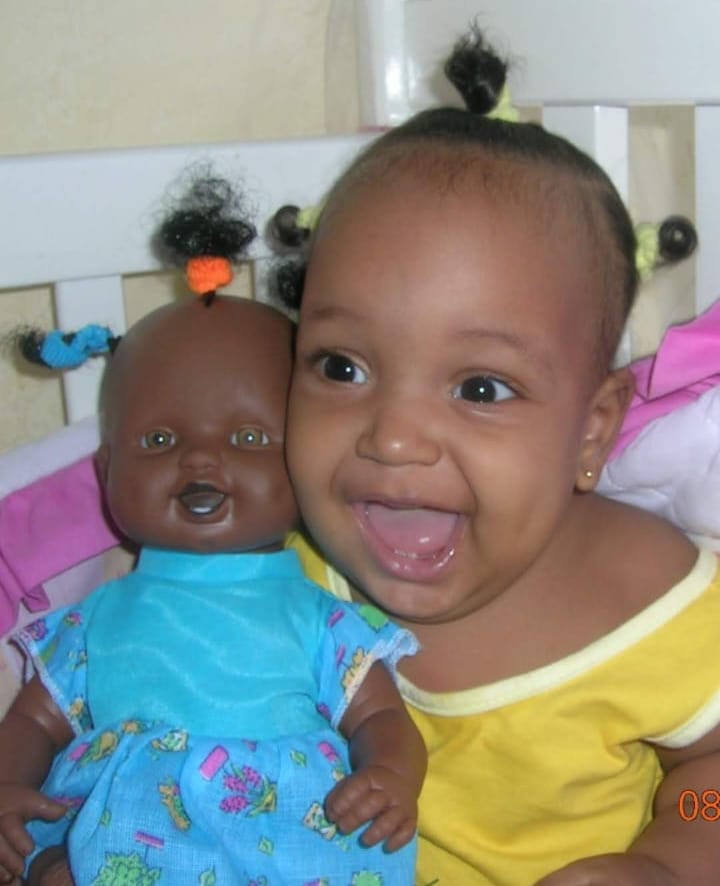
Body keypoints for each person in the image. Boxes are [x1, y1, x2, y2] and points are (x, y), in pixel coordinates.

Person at [280, 25, 720, 886]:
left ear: (592, 430)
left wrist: (671, 860)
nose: (393, 437)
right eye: (341, 367)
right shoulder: (290, 572)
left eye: (480, 387)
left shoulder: (653, 603)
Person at [0, 237, 425, 882]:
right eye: (159, 439)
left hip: (287, 842)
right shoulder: (98, 617)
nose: (200, 458)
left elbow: (381, 714)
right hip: (120, 840)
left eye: (249, 437)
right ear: (107, 471)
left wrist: (392, 772)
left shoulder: (317, 615)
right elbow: (34, 717)